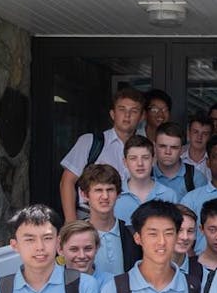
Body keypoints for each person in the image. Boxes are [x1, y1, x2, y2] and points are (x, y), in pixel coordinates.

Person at [60, 87, 146, 222]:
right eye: (122, 109)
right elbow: (67, 181)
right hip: (89, 217)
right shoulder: (90, 142)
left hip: (132, 219)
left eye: (134, 111)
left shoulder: (146, 149)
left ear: (141, 117)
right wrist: (70, 222)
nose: (127, 115)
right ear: (112, 114)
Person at [77, 163, 142, 275]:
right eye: (98, 190)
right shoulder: (74, 236)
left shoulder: (133, 235)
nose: (105, 196)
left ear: (118, 194)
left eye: (110, 190)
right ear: (85, 195)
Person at [113, 135, 177, 226]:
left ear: (153, 160)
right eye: (133, 158)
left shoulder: (169, 195)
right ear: (125, 162)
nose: (140, 163)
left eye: (145, 158)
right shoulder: (114, 195)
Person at [153, 121, 206, 199]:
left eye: (174, 147)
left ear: (182, 150)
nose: (168, 152)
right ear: (154, 147)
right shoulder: (145, 176)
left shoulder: (196, 179)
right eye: (162, 146)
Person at [184, 112, 214, 178]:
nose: (199, 137)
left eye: (205, 134)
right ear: (188, 133)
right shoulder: (178, 158)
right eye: (195, 132)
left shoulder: (215, 161)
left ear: (210, 137)